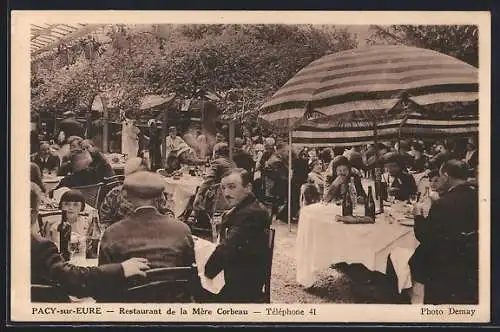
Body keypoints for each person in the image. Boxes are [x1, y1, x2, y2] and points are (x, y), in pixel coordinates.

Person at [30, 183, 150, 302]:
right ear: (31, 213)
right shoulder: (40, 245)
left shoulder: (85, 222)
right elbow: (74, 280)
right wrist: (121, 269)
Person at [98, 171, 196, 302]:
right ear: (161, 197)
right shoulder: (182, 230)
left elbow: (104, 278)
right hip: (173, 306)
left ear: (126, 198)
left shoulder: (112, 233)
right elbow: (189, 270)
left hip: (129, 309)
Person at [409, 159, 478, 304]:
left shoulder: (444, 202)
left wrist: (418, 216)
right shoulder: (478, 196)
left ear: (446, 176)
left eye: (440, 177)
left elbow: (425, 236)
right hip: (471, 259)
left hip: (443, 264)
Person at [204, 168, 271, 303]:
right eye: (223, 188)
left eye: (232, 187)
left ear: (248, 187)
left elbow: (228, 247)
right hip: (238, 273)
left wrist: (207, 273)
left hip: (242, 285)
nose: (226, 193)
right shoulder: (245, 207)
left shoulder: (251, 213)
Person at [99, 157, 174, 230]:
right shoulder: (115, 194)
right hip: (123, 235)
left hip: (152, 234)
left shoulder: (155, 193)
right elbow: (105, 220)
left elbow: (167, 213)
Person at [191, 143, 236, 217]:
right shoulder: (232, 162)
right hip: (233, 194)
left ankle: (198, 218)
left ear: (216, 153)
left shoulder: (217, 162)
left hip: (221, 196)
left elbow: (208, 180)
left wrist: (199, 195)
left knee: (197, 194)